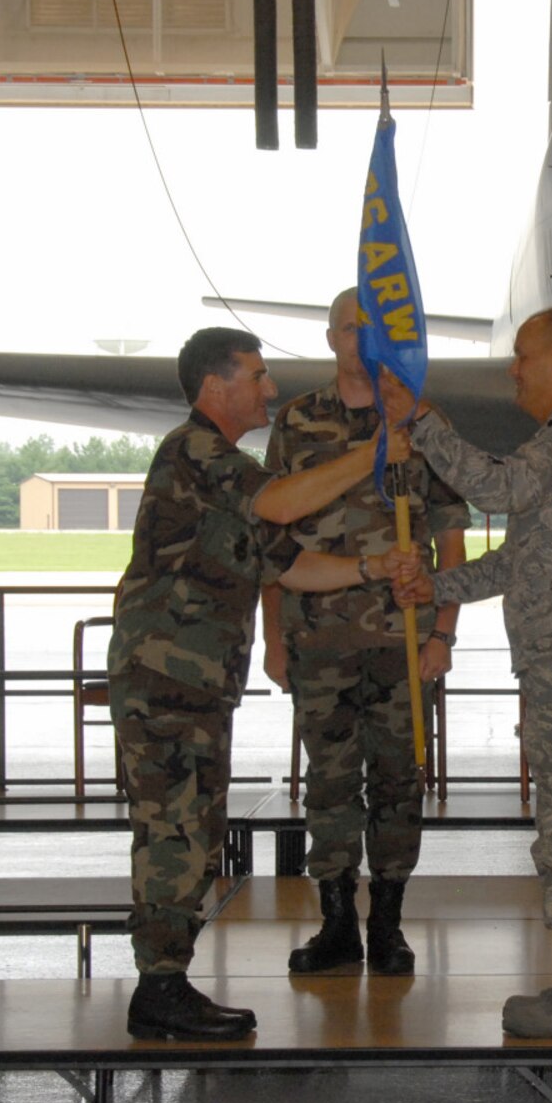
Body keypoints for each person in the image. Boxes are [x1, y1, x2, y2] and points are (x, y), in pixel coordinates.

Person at [110, 326, 417, 1041]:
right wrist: (372, 454)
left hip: (195, 683)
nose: (269, 389)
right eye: (256, 375)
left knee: (194, 826)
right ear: (216, 387)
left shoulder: (231, 474)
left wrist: (374, 571)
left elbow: (290, 563)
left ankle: (167, 980)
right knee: (173, 830)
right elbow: (282, 504)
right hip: (163, 678)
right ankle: (159, 986)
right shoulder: (195, 452)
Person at [383, 306, 552, 1037]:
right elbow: (521, 560)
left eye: (523, 356)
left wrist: (423, 419)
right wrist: (437, 586)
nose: (512, 370)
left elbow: (493, 489)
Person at [260, 288, 470, 976]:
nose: (362, 341)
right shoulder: (295, 421)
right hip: (317, 639)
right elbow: (271, 535)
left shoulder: (419, 421)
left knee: (398, 783)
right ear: (329, 339)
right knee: (328, 785)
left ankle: (388, 921)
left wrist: (444, 633)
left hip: (401, 642)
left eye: (374, 330)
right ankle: (336, 922)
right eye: (350, 329)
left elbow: (452, 538)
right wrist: (274, 637)